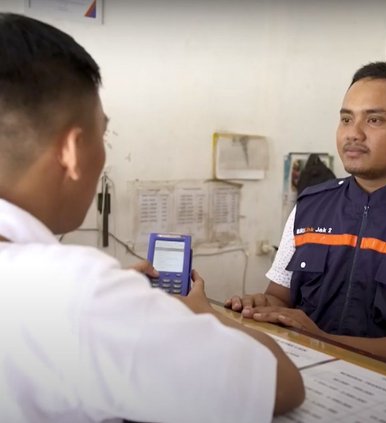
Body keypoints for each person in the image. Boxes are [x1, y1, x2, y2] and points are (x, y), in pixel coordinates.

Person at [0, 13, 304, 422]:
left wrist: (120, 301)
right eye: (103, 134)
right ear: (71, 151)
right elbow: (281, 384)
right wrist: (201, 313)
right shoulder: (78, 293)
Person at [225, 61, 386, 369]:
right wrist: (262, 307)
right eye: (346, 119)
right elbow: (280, 298)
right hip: (301, 378)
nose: (353, 134)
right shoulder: (310, 205)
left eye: (374, 120)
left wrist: (322, 341)